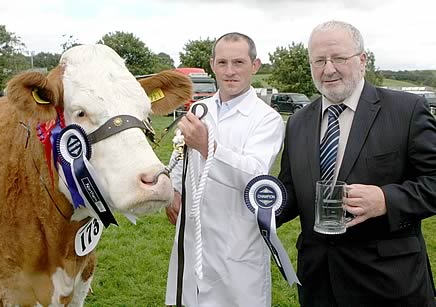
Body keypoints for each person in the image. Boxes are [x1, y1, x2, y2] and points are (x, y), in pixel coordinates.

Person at [277, 20, 436, 306]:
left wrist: (387, 199)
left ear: (362, 60)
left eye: (338, 58)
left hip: (389, 283)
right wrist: (261, 205)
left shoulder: (406, 110)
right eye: (319, 60)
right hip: (319, 282)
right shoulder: (299, 122)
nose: (328, 69)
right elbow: (291, 190)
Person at [165, 32, 284, 307]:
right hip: (193, 238)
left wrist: (209, 147)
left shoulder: (267, 119)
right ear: (212, 65)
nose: (230, 72)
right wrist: (173, 190)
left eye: (239, 62)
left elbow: (254, 175)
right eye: (222, 63)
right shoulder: (199, 108)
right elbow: (181, 156)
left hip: (237, 246)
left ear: (255, 66)